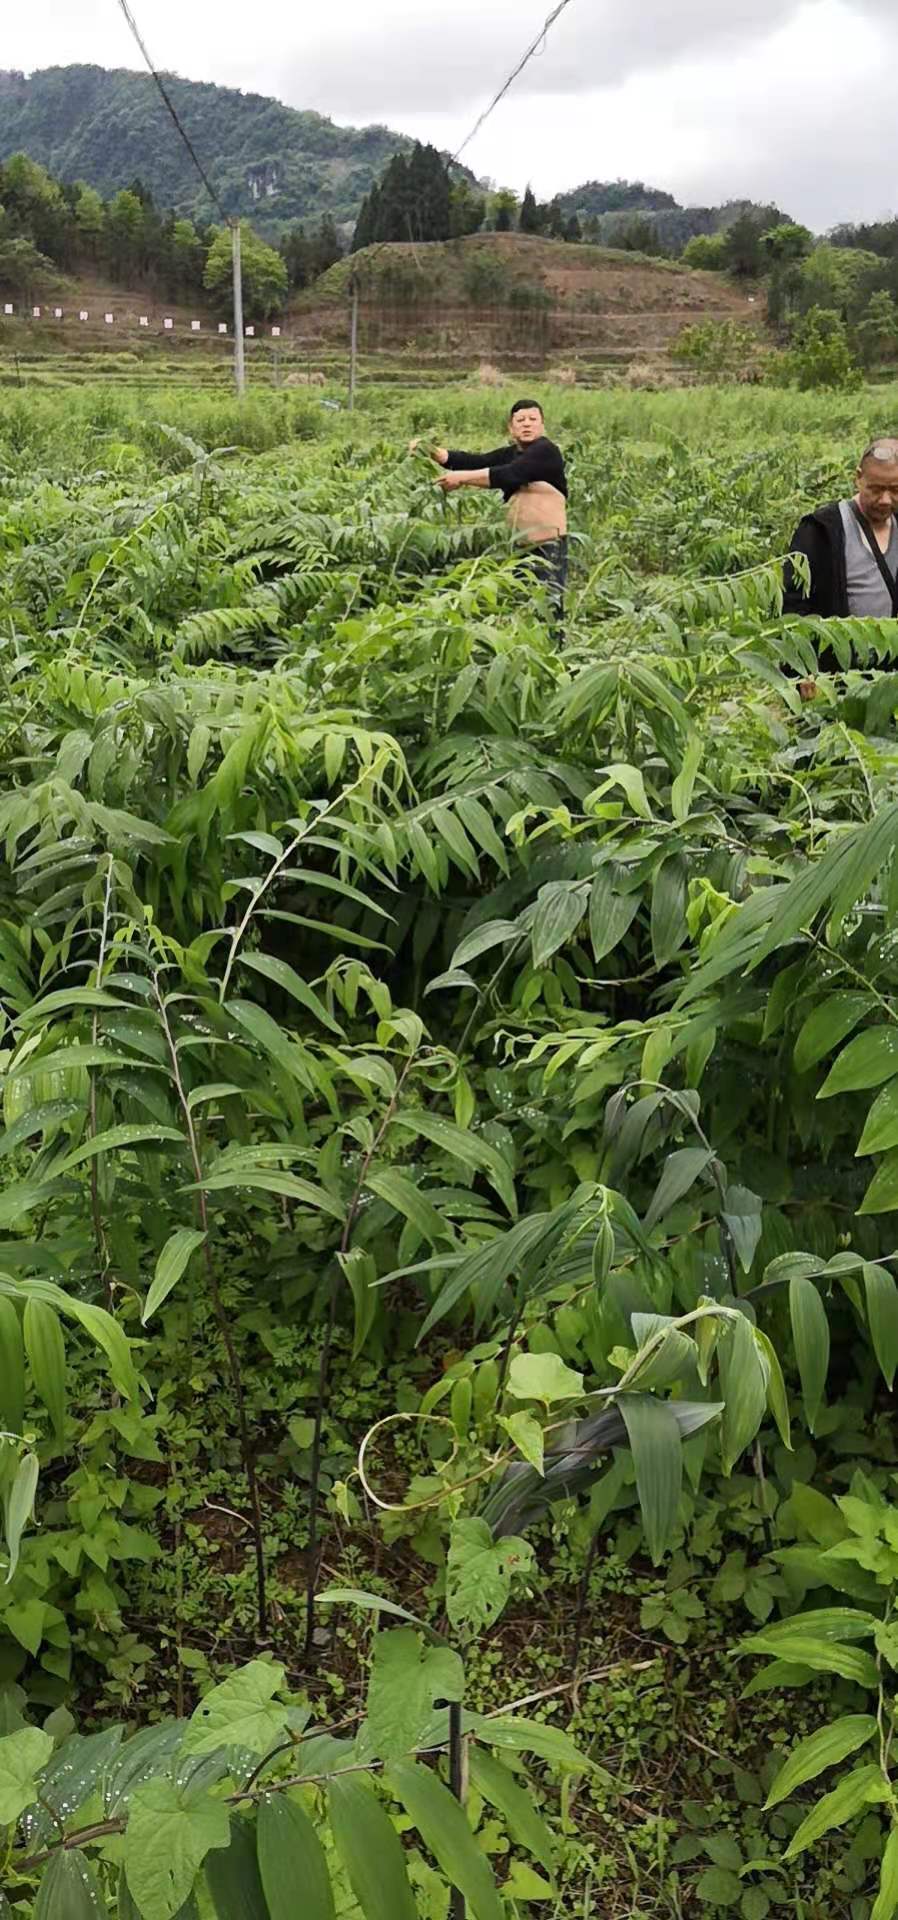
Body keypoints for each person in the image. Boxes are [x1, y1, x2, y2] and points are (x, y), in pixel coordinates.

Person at [413, 399, 568, 617]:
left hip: (548, 546)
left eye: (533, 419)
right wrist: (434, 452)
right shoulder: (510, 453)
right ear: (511, 427)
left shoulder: (546, 451)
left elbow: (510, 474)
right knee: (522, 607)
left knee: (548, 606)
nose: (527, 424)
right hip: (520, 547)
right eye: (520, 420)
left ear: (542, 426)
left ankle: (554, 647)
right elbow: (475, 461)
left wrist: (461, 479)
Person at [785, 437, 898, 619]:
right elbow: (793, 602)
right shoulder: (820, 530)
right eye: (876, 489)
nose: (885, 500)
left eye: (895, 490)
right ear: (859, 478)